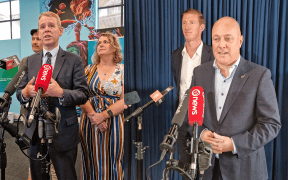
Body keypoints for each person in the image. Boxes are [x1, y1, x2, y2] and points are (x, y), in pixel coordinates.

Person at [188, 16, 281, 180]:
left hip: (245, 171)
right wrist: (201, 134)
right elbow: (190, 115)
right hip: (207, 170)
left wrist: (234, 144)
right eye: (216, 39)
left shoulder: (259, 75)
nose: (221, 44)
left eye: (227, 39)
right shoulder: (199, 73)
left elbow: (271, 124)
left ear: (240, 40)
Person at [16, 11, 89, 180]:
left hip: (63, 133)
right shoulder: (29, 61)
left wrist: (61, 92)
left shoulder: (74, 60)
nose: (46, 30)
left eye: (51, 26)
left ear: (60, 31)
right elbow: (20, 93)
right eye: (43, 27)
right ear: (39, 33)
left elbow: (83, 94)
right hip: (34, 133)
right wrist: (26, 93)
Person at [79, 32, 124, 180]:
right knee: (90, 158)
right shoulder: (88, 70)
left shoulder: (123, 70)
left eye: (105, 42)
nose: (101, 45)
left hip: (115, 122)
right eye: (99, 43)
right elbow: (80, 96)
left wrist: (103, 116)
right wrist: (94, 117)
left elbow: (130, 98)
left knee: (114, 159)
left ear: (114, 48)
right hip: (89, 122)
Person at [171, 9, 214, 164]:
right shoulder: (176, 55)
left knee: (204, 168)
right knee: (184, 165)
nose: (186, 27)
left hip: (205, 121)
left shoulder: (213, 54)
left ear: (201, 27)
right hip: (182, 118)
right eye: (184, 23)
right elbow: (179, 85)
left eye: (191, 22)